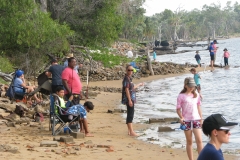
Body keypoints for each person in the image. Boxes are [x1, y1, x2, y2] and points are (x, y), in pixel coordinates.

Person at [176, 77, 203, 160]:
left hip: (196, 119)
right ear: (185, 85)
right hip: (186, 121)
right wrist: (181, 118)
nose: (192, 87)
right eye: (190, 86)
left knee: (199, 141)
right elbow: (178, 109)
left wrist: (201, 118)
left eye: (193, 86)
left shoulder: (196, 95)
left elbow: (199, 107)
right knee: (189, 141)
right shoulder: (181, 96)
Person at [122, 65, 144, 136]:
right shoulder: (126, 79)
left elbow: (132, 88)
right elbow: (127, 90)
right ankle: (131, 131)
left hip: (131, 98)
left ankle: (129, 131)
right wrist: (129, 100)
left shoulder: (129, 79)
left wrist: (139, 84)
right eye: (129, 70)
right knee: (130, 114)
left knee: (130, 113)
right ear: (126, 70)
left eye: (132, 70)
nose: (130, 71)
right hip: (129, 99)